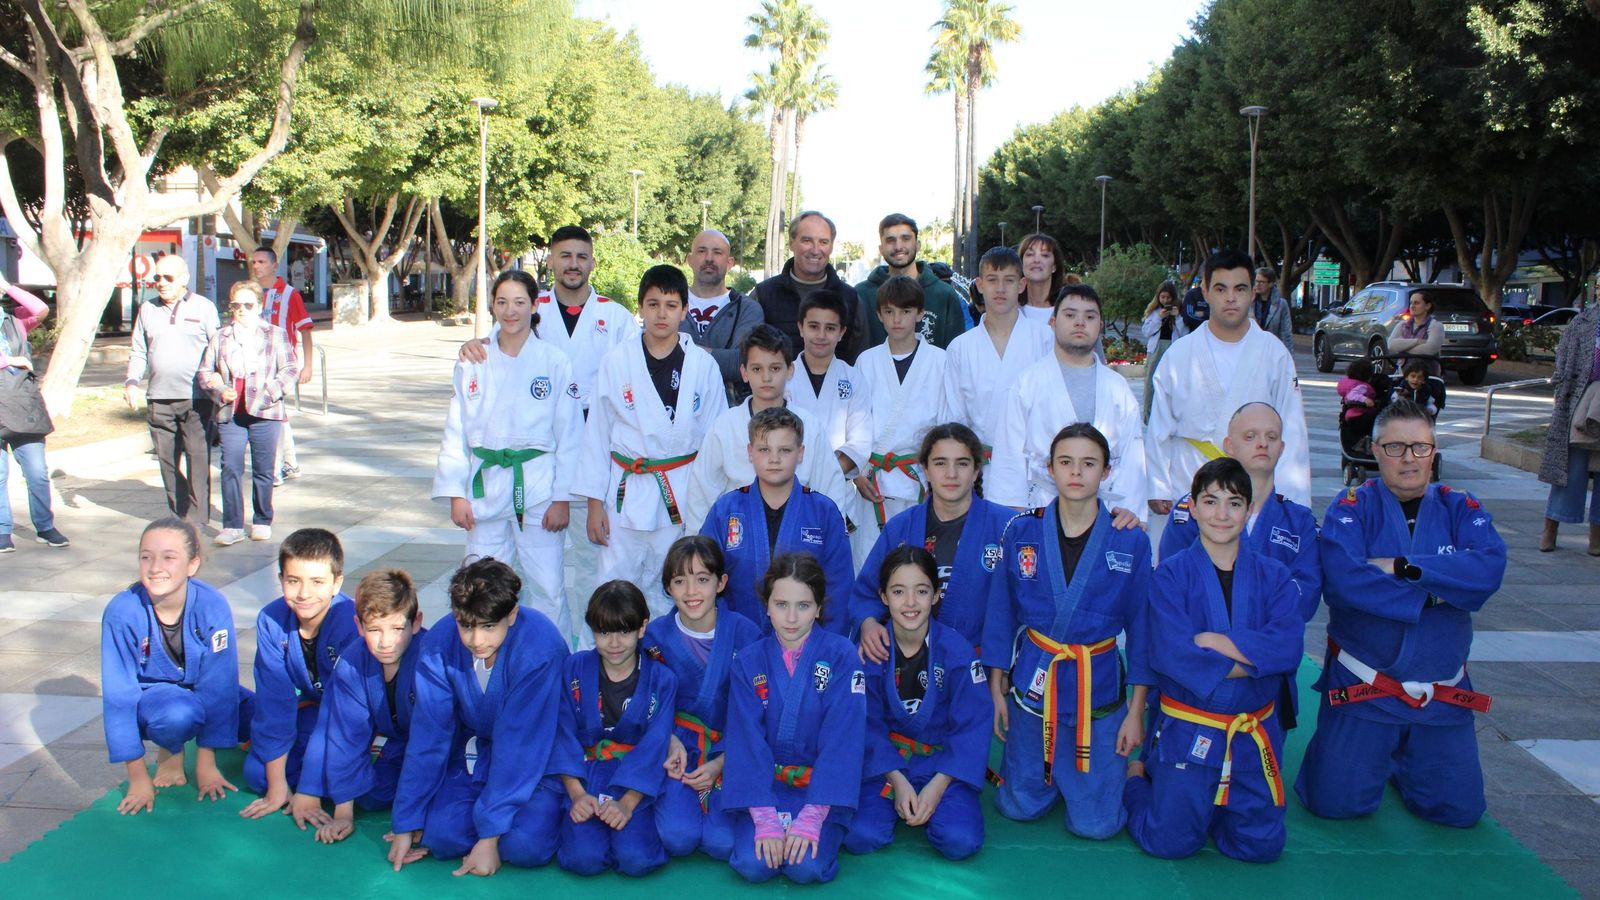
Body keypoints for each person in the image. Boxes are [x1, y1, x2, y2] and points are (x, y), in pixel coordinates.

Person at [1296, 400, 1507, 828]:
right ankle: (1384, 757)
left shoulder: (1459, 506)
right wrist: (1441, 591)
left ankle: (1405, 761)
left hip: (1442, 694)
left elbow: (1487, 570)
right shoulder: (1351, 507)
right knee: (1335, 805)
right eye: (1395, 447)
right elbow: (1344, 582)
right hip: (1366, 690)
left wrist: (1402, 568)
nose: (1408, 458)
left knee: (1458, 812)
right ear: (1374, 450)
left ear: (1434, 450)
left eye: (1420, 446)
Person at [459, 225, 639, 640]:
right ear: (551, 261)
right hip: (540, 451)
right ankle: (524, 643)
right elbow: (497, 347)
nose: (572, 264)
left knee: (595, 557)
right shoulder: (526, 305)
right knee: (531, 568)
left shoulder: (614, 316)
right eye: (564, 256)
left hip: (599, 446)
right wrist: (472, 346)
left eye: (580, 256)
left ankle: (590, 644)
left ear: (592, 262)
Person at [1124, 457, 1305, 863]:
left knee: (1260, 848)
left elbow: (1288, 648)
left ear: (1249, 508)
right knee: (1168, 844)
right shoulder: (1170, 575)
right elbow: (1172, 654)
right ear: (1192, 505)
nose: (1222, 515)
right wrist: (1254, 658)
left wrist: (1216, 642)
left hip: (1252, 730)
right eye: (1210, 501)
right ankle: (1140, 779)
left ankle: (1212, 808)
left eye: (1234, 503)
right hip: (1191, 729)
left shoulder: (1275, 575)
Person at [983, 424, 1152, 839]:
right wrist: (995, 686)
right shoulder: (1022, 530)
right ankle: (1053, 777)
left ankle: (1128, 774)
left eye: (1089, 463)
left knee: (1098, 827)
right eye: (1066, 462)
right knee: (1016, 808)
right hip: (1035, 682)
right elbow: (1001, 612)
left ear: (1107, 472)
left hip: (1097, 687)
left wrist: (1136, 711)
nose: (1077, 472)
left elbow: (1144, 628)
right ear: (1049, 469)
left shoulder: (1130, 540)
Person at [388, 557, 571, 876]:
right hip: (479, 751)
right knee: (442, 838)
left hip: (540, 755)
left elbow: (520, 746)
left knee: (525, 846)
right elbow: (428, 736)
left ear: (512, 614)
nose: (475, 640)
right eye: (466, 625)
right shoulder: (439, 644)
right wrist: (407, 820)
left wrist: (489, 836)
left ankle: (506, 825)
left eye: (488, 626)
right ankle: (490, 822)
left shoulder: (539, 647)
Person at [434, 269, 584, 643]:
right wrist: (456, 493)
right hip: (485, 486)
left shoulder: (553, 361)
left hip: (538, 486)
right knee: (481, 584)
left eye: (520, 302)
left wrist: (562, 497)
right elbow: (455, 432)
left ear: (535, 306)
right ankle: (484, 657)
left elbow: (569, 435)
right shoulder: (473, 360)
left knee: (547, 585)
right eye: (502, 302)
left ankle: (554, 662)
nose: (510, 311)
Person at [575, 265, 727, 618]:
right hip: (625, 492)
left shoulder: (703, 365)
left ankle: (666, 661)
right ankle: (607, 658)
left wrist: (709, 504)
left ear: (685, 311)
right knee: (613, 581)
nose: (662, 314)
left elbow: (714, 441)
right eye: (653, 304)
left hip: (682, 489)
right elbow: (597, 433)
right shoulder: (617, 361)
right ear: (640, 308)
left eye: (671, 305)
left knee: (674, 582)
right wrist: (594, 504)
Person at [1158, 403, 1322, 732]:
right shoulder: (1190, 512)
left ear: (1282, 448)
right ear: (1228, 445)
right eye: (1250, 436)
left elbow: (1301, 604)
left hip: (1266, 696)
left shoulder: (1299, 521)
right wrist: (1261, 647)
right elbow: (1173, 611)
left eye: (1271, 436)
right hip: (1193, 693)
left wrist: (1217, 640)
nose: (1262, 443)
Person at [723, 553, 866, 885]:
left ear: (818, 608)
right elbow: (746, 740)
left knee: (806, 869)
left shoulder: (843, 657)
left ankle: (822, 823)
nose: (791, 617)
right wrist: (765, 819)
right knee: (752, 865)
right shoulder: (748, 661)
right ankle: (767, 820)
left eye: (803, 606)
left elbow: (843, 741)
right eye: (781, 604)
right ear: (766, 606)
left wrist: (812, 817)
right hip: (766, 788)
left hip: (820, 790)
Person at [843, 546, 988, 860]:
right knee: (858, 835)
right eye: (898, 591)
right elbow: (864, 725)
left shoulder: (957, 652)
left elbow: (973, 725)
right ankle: (895, 797)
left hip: (942, 765)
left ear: (936, 595)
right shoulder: (870, 653)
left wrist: (937, 786)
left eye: (921, 591)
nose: (910, 603)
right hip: (886, 765)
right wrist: (896, 779)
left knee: (960, 841)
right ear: (883, 597)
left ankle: (941, 798)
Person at [1146, 249, 1311, 515]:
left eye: (1240, 288)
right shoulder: (1180, 354)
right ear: (1206, 292)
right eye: (1221, 289)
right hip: (1189, 481)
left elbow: (1292, 430)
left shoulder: (1274, 354)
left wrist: (1292, 500)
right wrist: (1157, 485)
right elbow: (1159, 425)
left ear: (1252, 293)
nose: (1231, 298)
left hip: (1252, 487)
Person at [100, 517, 243, 815]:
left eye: (169, 557)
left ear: (192, 565)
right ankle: (171, 748)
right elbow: (119, 696)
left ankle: (235, 746)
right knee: (179, 715)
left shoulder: (212, 604)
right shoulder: (122, 612)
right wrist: (138, 777)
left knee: (261, 714)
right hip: (156, 700)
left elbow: (219, 684)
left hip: (201, 690)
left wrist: (206, 764)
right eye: (146, 557)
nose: (155, 567)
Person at [849, 423, 1014, 658]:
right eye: (940, 463)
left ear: (977, 470)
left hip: (979, 666)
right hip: (910, 664)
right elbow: (866, 592)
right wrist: (868, 624)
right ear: (925, 469)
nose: (951, 474)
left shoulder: (1007, 527)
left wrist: (1000, 668)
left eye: (962, 463)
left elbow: (1024, 603)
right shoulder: (901, 527)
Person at [646, 536, 763, 860]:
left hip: (732, 748)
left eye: (702, 579)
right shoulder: (655, 637)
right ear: (668, 587)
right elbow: (644, 704)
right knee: (677, 837)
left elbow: (758, 712)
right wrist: (668, 740)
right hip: (676, 751)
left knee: (722, 843)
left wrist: (722, 761)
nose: (691, 592)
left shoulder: (746, 633)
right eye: (680, 581)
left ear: (721, 582)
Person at [989, 284, 1146, 525]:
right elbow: (1009, 456)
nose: (1080, 322)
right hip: (1040, 508)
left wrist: (1129, 512)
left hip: (1105, 514)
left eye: (1090, 316)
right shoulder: (1027, 383)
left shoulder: (1118, 388)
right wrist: (1015, 520)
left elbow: (1131, 457)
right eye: (1070, 315)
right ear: (1052, 322)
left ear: (1100, 326)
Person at [552, 580, 677, 877]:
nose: (614, 642)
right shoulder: (573, 669)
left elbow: (656, 743)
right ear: (592, 630)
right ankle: (572, 827)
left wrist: (628, 804)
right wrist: (577, 795)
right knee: (584, 859)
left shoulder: (662, 679)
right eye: (604, 632)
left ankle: (633, 822)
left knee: (637, 860)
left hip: (633, 777)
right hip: (585, 774)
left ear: (642, 628)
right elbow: (562, 733)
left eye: (624, 631)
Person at [294, 568, 426, 843]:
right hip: (392, 746)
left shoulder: (431, 659)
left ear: (416, 623)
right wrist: (344, 811)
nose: (386, 641)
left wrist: (416, 813)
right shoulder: (353, 661)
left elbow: (437, 740)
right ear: (359, 626)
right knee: (367, 795)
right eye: (375, 629)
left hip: (436, 751)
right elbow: (345, 735)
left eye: (398, 628)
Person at [682, 324, 853, 534]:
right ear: (744, 372)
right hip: (739, 534)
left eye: (775, 368)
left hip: (798, 532)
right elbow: (702, 490)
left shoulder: (810, 426)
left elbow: (831, 486)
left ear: (790, 370)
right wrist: (700, 546)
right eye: (757, 369)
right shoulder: (725, 426)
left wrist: (832, 539)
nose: (766, 377)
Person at [697, 407, 853, 633]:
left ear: (801, 453)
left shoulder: (824, 512)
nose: (774, 459)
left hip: (807, 643)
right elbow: (704, 579)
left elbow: (839, 588)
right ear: (750, 452)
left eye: (785, 450)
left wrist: (827, 647)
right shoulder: (725, 511)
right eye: (764, 449)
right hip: (738, 643)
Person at [241, 528, 360, 820]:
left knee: (363, 784)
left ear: (336, 583)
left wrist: (309, 789)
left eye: (317, 582)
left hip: (350, 721)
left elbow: (344, 712)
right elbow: (275, 702)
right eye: (294, 581)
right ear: (281, 579)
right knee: (260, 775)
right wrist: (277, 786)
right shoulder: (271, 620)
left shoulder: (351, 622)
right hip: (309, 712)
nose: (304, 593)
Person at [198, 280, 299, 546]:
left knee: (263, 469)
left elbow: (289, 368)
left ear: (259, 306)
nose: (241, 310)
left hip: (265, 410)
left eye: (247, 305)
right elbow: (205, 372)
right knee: (230, 466)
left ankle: (262, 519)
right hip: (231, 411)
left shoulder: (274, 334)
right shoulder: (221, 336)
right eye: (236, 305)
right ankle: (232, 524)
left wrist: (269, 393)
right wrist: (220, 388)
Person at [124, 253, 219, 526]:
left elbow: (217, 349)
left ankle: (198, 520)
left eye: (168, 277)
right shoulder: (147, 309)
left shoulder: (204, 308)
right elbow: (139, 351)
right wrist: (132, 382)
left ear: (184, 279)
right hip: (159, 399)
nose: (161, 283)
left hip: (196, 399)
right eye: (157, 277)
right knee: (167, 461)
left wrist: (219, 386)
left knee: (198, 460)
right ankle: (180, 516)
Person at [783, 290, 876, 564]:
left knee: (836, 573)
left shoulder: (853, 378)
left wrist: (823, 472)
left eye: (830, 328)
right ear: (800, 327)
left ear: (842, 332)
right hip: (789, 490)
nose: (821, 335)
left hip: (839, 495)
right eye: (813, 326)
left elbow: (859, 443)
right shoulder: (784, 376)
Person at [853, 275, 948, 531]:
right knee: (871, 559)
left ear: (920, 314)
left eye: (905, 311)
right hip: (874, 480)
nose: (897, 319)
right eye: (889, 311)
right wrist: (858, 474)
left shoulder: (940, 361)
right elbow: (855, 422)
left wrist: (937, 475)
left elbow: (946, 424)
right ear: (879, 315)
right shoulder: (866, 361)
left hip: (920, 478)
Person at [940, 247, 1053, 455]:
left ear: (1021, 285)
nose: (1000, 289)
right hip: (981, 468)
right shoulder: (960, 347)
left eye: (1009, 280)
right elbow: (954, 416)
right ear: (980, 285)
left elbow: (1054, 407)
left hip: (1033, 465)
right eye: (992, 280)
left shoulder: (1045, 339)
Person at [0, 273, 68, 551]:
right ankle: (3, 530)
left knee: (38, 472)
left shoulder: (14, 320)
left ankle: (45, 526)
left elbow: (40, 310)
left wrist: (7, 286)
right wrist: (10, 360)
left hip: (22, 404)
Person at [753, 211, 872, 364]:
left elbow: (861, 359)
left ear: (831, 246)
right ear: (792, 243)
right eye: (807, 240)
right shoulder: (763, 295)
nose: (815, 250)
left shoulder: (851, 299)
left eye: (823, 242)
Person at [1538, 301, 1600, 555]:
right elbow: (1563, 361)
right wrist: (1561, 392)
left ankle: (1596, 536)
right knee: (1569, 469)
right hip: (1579, 402)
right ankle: (1550, 528)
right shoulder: (1583, 322)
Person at [855, 213, 971, 349]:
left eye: (905, 238)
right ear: (881, 249)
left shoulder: (944, 294)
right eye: (890, 240)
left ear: (917, 245)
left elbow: (956, 351)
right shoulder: (861, 294)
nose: (898, 246)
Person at [250, 247, 315, 483]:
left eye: (261, 262)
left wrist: (307, 366)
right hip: (255, 366)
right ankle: (290, 462)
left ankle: (275, 468)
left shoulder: (289, 294)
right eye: (254, 262)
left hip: (281, 366)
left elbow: (305, 330)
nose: (256, 266)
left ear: (274, 265)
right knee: (276, 414)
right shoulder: (251, 294)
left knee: (272, 412)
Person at [680, 229, 765, 404]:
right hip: (672, 410)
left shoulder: (747, 309)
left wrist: (680, 352)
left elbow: (741, 363)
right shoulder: (670, 304)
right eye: (702, 251)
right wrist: (720, 356)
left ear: (729, 262)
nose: (709, 258)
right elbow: (653, 352)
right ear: (689, 259)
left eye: (717, 252)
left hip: (729, 414)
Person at [1139, 280, 1184, 423]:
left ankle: (1168, 416)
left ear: (1173, 297)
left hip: (1172, 348)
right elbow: (1146, 332)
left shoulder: (1178, 312)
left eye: (1168, 298)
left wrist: (1177, 317)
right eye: (1162, 297)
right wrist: (1159, 318)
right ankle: (1148, 415)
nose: (1165, 301)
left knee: (1171, 382)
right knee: (1150, 382)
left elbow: (1184, 333)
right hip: (1156, 348)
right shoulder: (1153, 312)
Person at [1388, 291, 1443, 377]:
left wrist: (1402, 347)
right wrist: (1416, 341)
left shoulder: (1436, 326)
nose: (1412, 306)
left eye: (1416, 303)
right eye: (1411, 303)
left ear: (1427, 306)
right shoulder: (1402, 325)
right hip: (1402, 376)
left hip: (1427, 377)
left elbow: (1430, 349)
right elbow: (1391, 345)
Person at [1017, 233, 1066, 325]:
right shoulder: (1009, 311)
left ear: (1054, 266)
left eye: (1044, 255)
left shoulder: (1070, 309)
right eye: (1030, 254)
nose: (1036, 260)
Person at [1252, 267, 1295, 354]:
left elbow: (1286, 333)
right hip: (1251, 350)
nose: (1257, 284)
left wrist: (1289, 357)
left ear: (1271, 284)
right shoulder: (1249, 302)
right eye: (1256, 281)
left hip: (1272, 351)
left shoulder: (1281, 305)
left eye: (1262, 282)